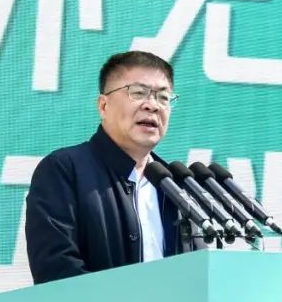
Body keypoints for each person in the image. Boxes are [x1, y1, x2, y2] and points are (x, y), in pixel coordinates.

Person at [24, 51, 206, 285]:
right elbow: (56, 269)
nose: (152, 106)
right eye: (138, 93)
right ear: (103, 106)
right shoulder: (64, 170)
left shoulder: (174, 185)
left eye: (163, 97)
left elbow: (199, 273)